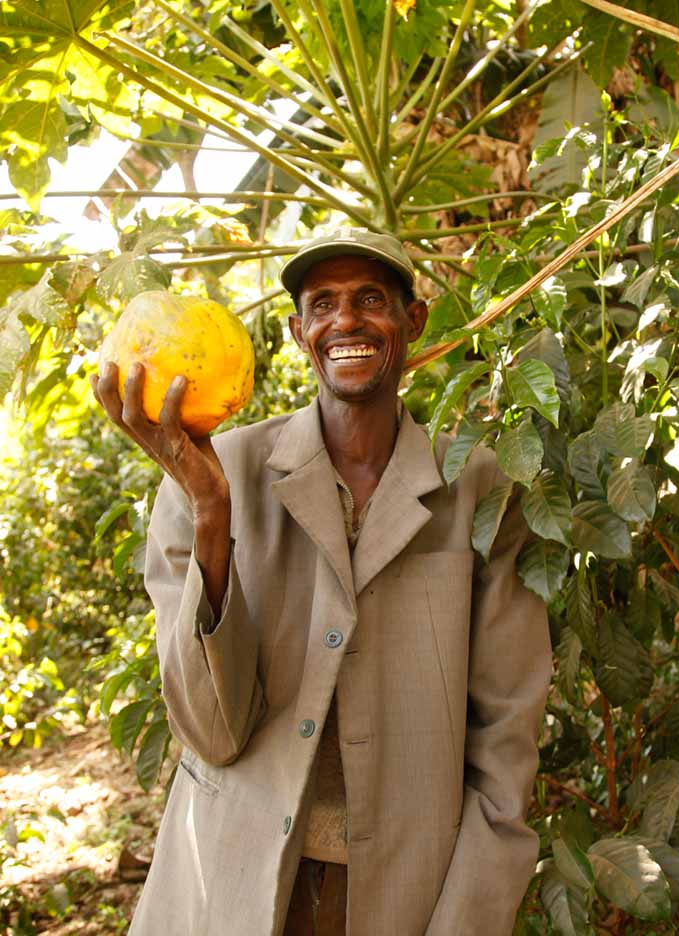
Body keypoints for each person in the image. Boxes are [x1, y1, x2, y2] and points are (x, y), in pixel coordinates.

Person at [91, 228, 553, 936]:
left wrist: (467, 920)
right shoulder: (216, 478)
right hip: (232, 886)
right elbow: (213, 733)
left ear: (414, 319)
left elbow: (507, 739)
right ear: (298, 331)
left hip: (407, 897)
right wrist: (212, 514)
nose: (347, 321)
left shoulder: (478, 487)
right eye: (324, 303)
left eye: (371, 299)